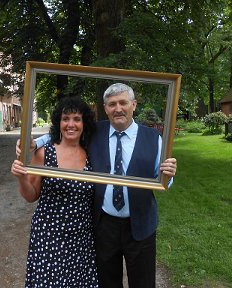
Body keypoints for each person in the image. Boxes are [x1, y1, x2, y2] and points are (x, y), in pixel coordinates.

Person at [16, 83, 177, 288]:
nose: (118, 108)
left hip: (141, 223)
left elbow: (161, 177)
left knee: (143, 282)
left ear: (133, 105)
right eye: (112, 104)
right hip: (104, 225)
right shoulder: (95, 131)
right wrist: (34, 142)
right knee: (107, 281)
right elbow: (64, 132)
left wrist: (168, 175)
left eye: (123, 103)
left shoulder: (154, 138)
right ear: (105, 108)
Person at [11, 97, 99, 288]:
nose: (71, 124)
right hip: (49, 236)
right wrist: (21, 177)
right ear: (58, 122)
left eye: (77, 119)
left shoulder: (92, 155)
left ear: (84, 123)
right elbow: (31, 195)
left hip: (81, 238)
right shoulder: (44, 153)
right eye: (65, 118)